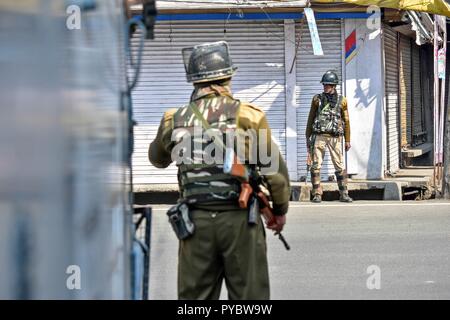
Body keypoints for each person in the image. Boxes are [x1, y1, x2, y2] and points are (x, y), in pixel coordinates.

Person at [148, 41, 290, 300]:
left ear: (193, 80)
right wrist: (278, 211)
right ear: (228, 76)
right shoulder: (249, 116)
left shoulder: (174, 119)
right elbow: (275, 174)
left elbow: (157, 159)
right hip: (240, 220)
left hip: (194, 223)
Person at [305, 70, 353, 203]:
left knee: (339, 165)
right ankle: (317, 194)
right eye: (324, 84)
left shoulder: (342, 101)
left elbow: (346, 120)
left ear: (334, 86)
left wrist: (348, 139)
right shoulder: (317, 99)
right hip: (319, 136)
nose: (325, 87)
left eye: (328, 85)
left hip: (335, 137)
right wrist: (307, 137)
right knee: (316, 165)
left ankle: (344, 194)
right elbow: (311, 118)